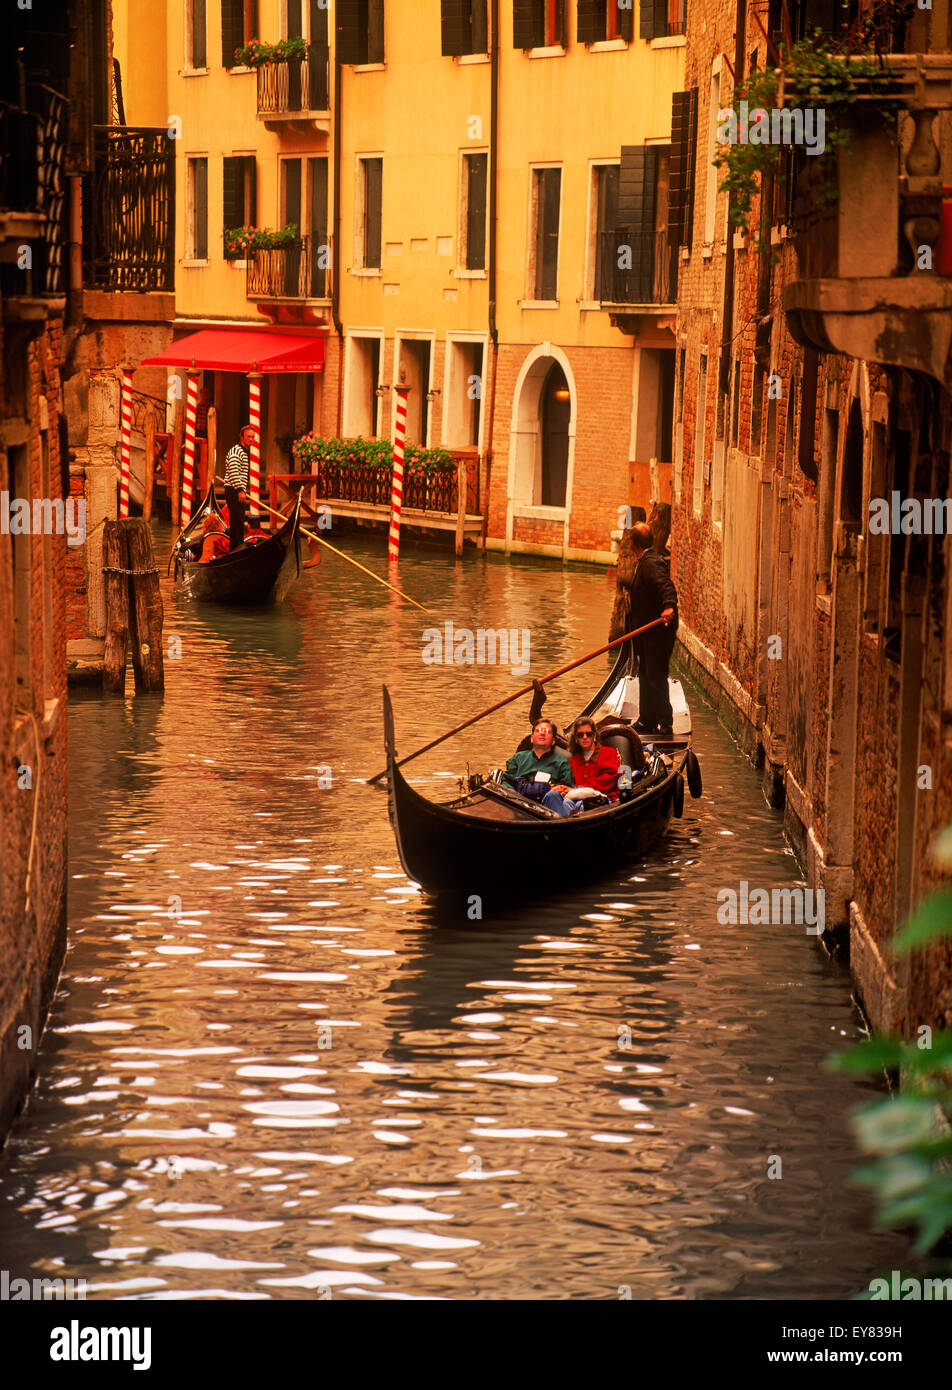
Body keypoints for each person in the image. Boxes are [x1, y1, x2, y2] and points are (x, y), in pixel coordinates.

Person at [627, 521, 679, 737]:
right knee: (645, 674)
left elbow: (666, 586)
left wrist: (668, 606)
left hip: (658, 632)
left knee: (655, 675)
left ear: (632, 543)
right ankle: (647, 719)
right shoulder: (645, 561)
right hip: (646, 632)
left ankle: (665, 722)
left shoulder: (651, 563)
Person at [502, 718, 579, 817]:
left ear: (553, 741)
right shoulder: (518, 758)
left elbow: (568, 789)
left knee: (553, 796)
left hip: (548, 808)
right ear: (531, 738)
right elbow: (506, 781)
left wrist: (560, 790)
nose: (542, 734)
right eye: (538, 731)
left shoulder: (562, 762)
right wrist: (514, 796)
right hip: (519, 805)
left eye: (547, 732)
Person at [567, 719, 622, 804]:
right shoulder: (573, 761)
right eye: (580, 735)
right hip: (577, 799)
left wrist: (578, 790)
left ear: (594, 736)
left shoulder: (609, 753)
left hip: (605, 800)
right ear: (576, 739)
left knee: (575, 803)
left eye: (588, 734)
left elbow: (607, 781)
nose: (585, 737)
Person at [224, 424, 256, 553]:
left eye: (253, 437)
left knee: (239, 522)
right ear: (242, 437)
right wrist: (240, 491)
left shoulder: (243, 451)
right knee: (237, 522)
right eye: (248, 436)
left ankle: (236, 550)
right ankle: (236, 551)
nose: (251, 439)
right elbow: (233, 470)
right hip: (234, 490)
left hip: (236, 489)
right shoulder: (237, 450)